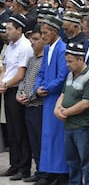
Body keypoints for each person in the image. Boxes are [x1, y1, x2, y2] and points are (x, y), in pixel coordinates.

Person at [54, 43, 89, 185]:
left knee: (86, 161)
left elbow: (85, 103)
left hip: (83, 126)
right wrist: (56, 109)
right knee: (72, 161)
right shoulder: (70, 74)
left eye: (70, 61)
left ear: (81, 59)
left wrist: (65, 112)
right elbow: (63, 93)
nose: (67, 65)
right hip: (69, 126)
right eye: (66, 61)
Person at [34, 15, 70, 184]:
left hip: (57, 98)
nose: (43, 36)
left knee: (57, 136)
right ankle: (49, 171)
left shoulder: (62, 49)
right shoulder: (48, 48)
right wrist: (37, 88)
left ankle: (60, 173)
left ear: (55, 31)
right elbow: (41, 72)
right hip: (47, 97)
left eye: (45, 33)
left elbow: (62, 76)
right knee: (48, 136)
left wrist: (46, 88)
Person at [0, 14, 33, 180]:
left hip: (17, 90)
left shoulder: (25, 47)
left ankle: (24, 167)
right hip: (7, 89)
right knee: (12, 130)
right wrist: (1, 82)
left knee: (20, 131)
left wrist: (5, 84)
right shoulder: (10, 45)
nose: (7, 32)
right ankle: (15, 164)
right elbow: (5, 68)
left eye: (10, 29)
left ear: (19, 29)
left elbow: (21, 74)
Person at [15, 26, 46, 183]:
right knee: (32, 140)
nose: (32, 42)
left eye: (35, 39)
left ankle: (43, 172)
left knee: (40, 141)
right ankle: (38, 170)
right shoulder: (32, 59)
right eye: (31, 39)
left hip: (38, 105)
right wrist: (19, 94)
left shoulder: (46, 60)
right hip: (28, 106)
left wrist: (30, 96)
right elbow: (25, 80)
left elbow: (43, 85)